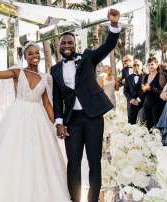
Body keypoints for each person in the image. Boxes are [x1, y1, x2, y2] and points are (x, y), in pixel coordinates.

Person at [0, 36, 71, 201]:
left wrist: (58, 124)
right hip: (17, 118)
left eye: (37, 53)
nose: (34, 56)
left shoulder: (46, 78)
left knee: (39, 159)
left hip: (39, 121)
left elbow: (47, 105)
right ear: (25, 56)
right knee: (13, 156)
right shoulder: (18, 72)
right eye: (30, 54)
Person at [51, 9, 120, 202]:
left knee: (94, 163)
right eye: (63, 42)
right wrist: (59, 122)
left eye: (70, 42)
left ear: (75, 45)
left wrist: (113, 25)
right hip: (71, 121)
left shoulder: (88, 57)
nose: (66, 45)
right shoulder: (54, 69)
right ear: (58, 46)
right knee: (73, 163)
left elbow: (108, 46)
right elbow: (57, 98)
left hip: (93, 118)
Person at [141, 57, 167, 129]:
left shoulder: (162, 76)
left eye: (152, 64)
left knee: (157, 126)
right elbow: (143, 92)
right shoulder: (146, 76)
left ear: (157, 64)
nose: (150, 66)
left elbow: (163, 91)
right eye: (149, 65)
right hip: (147, 104)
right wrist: (143, 89)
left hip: (158, 105)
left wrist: (151, 88)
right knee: (147, 126)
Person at [124, 59, 143, 124]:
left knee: (143, 123)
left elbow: (145, 91)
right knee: (131, 124)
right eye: (134, 65)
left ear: (141, 66)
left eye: (138, 65)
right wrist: (131, 99)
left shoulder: (146, 76)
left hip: (142, 104)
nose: (136, 66)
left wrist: (138, 99)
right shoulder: (128, 78)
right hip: (131, 105)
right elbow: (125, 91)